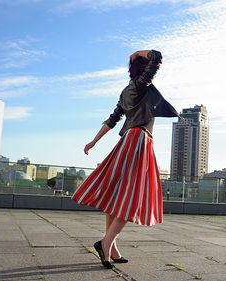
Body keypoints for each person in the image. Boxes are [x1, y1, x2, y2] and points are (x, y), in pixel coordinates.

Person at [72, 50, 179, 269]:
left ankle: (111, 247)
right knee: (132, 197)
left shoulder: (125, 91)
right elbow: (157, 57)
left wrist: (93, 142)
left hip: (129, 140)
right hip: (139, 140)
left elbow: (112, 120)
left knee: (119, 195)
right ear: (143, 69)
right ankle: (105, 243)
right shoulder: (141, 85)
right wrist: (138, 53)